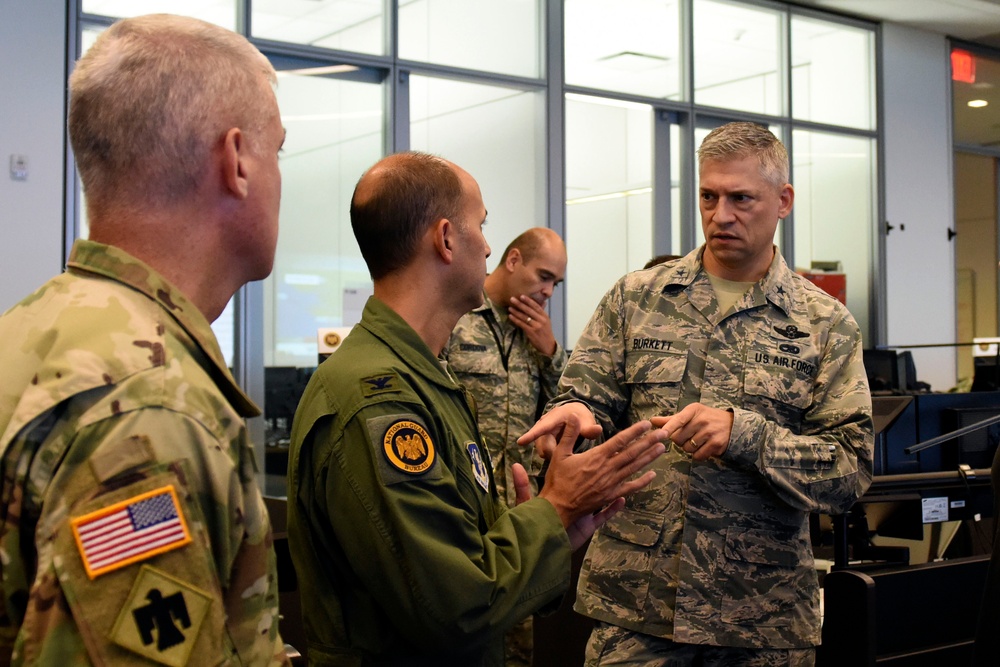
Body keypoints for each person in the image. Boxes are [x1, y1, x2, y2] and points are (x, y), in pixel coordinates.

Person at [286, 151, 669, 666]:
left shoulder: (425, 377)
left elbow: (468, 556)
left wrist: (552, 527)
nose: (489, 246)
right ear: (445, 239)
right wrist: (553, 511)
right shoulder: (380, 403)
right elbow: (458, 606)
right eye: (481, 226)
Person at [520, 122, 874, 666]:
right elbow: (584, 395)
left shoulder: (824, 324)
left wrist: (745, 435)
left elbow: (849, 473)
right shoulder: (635, 298)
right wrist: (572, 412)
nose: (721, 214)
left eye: (741, 198)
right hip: (637, 611)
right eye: (708, 196)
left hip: (762, 621)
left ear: (783, 201)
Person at [0, 14, 289, 666]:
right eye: (278, 150)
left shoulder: (30, 331)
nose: (278, 177)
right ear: (237, 160)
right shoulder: (154, 407)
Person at [441, 227, 567, 666]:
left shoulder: (535, 331)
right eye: (543, 276)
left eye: (556, 283)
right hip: (464, 503)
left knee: (520, 638)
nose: (548, 291)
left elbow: (562, 407)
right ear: (512, 260)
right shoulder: (458, 316)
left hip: (518, 505)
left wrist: (551, 351)